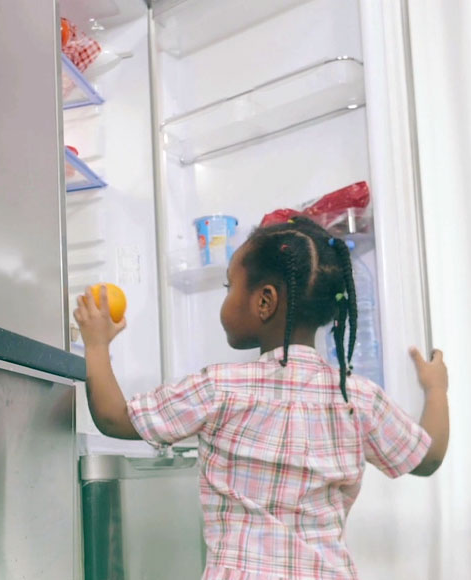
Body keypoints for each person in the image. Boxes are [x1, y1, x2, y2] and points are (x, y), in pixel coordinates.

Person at [75, 216, 450, 580]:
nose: (225, 299)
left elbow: (114, 418)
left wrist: (95, 343)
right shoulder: (357, 398)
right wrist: (436, 389)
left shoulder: (218, 388)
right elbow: (428, 457)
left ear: (265, 302)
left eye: (229, 287)